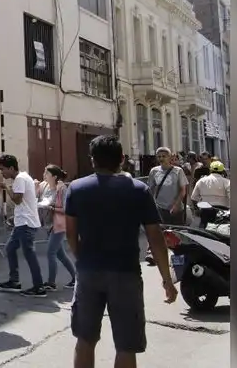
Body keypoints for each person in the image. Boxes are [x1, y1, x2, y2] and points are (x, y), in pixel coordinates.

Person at [65, 135, 177, 368]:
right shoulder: (139, 190)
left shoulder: (76, 188)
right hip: (125, 274)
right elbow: (155, 238)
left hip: (88, 273)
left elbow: (70, 234)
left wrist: (82, 260)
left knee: (85, 339)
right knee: (126, 345)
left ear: (92, 160)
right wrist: (167, 279)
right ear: (122, 160)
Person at [0, 154, 46, 297]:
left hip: (26, 222)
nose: (2, 173)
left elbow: (17, 200)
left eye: (3, 169)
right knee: (10, 248)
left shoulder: (19, 179)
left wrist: (6, 188)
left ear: (11, 168)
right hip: (23, 222)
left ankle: (38, 286)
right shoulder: (24, 177)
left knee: (29, 254)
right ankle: (14, 281)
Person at [38, 165, 76, 290]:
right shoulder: (44, 186)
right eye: (44, 172)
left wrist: (52, 207)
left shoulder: (62, 188)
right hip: (48, 225)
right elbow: (37, 199)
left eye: (47, 173)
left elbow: (66, 208)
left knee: (50, 252)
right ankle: (76, 278)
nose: (44, 174)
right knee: (61, 255)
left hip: (58, 225)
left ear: (54, 176)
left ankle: (51, 282)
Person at [145, 147, 188, 225]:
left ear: (170, 157)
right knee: (162, 233)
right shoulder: (154, 171)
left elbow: (183, 190)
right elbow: (150, 189)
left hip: (176, 209)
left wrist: (176, 205)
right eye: (159, 156)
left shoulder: (178, 171)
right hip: (160, 209)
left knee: (177, 233)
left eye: (164, 156)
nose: (161, 158)